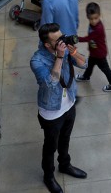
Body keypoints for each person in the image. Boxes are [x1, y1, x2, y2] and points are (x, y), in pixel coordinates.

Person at [30, 23, 88, 193]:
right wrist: (60, 57)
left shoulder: (64, 49)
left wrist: (74, 52)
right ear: (48, 44)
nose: (62, 41)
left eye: (62, 36)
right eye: (58, 40)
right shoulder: (37, 60)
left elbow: (84, 64)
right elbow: (49, 84)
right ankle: (48, 176)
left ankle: (65, 165)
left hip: (69, 103)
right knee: (50, 146)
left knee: (65, 139)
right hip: (51, 112)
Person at [75, 2, 111, 92]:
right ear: (88, 17)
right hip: (94, 52)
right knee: (90, 65)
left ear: (99, 15)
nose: (94, 21)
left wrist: (76, 39)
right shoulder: (92, 25)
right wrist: (90, 47)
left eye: (96, 18)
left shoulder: (98, 28)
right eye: (91, 19)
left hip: (99, 54)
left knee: (105, 69)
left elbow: (88, 38)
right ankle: (86, 76)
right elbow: (92, 39)